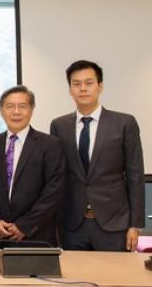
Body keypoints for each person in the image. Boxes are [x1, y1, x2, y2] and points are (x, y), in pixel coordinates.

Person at [50, 60, 145, 251]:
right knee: (75, 278)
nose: (82, 89)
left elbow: (135, 176)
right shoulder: (59, 126)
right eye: (76, 84)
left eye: (89, 83)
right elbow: (58, 176)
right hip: (72, 224)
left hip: (114, 223)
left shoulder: (124, 123)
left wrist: (135, 224)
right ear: (70, 89)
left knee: (114, 279)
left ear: (100, 87)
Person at [0, 86, 65, 246]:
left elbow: (54, 191)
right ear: (1, 110)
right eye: (10, 106)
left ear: (31, 110)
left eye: (22, 106)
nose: (16, 112)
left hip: (37, 234)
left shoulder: (50, 144)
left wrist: (25, 225)